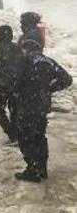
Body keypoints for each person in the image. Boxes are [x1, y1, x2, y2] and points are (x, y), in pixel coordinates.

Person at [14, 40, 73, 182]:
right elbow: (67, 79)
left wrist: (18, 94)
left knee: (25, 137)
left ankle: (32, 170)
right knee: (39, 136)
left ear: (26, 49)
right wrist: (49, 89)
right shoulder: (49, 61)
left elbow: (16, 82)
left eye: (22, 50)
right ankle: (42, 168)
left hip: (27, 105)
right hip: (42, 105)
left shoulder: (26, 60)